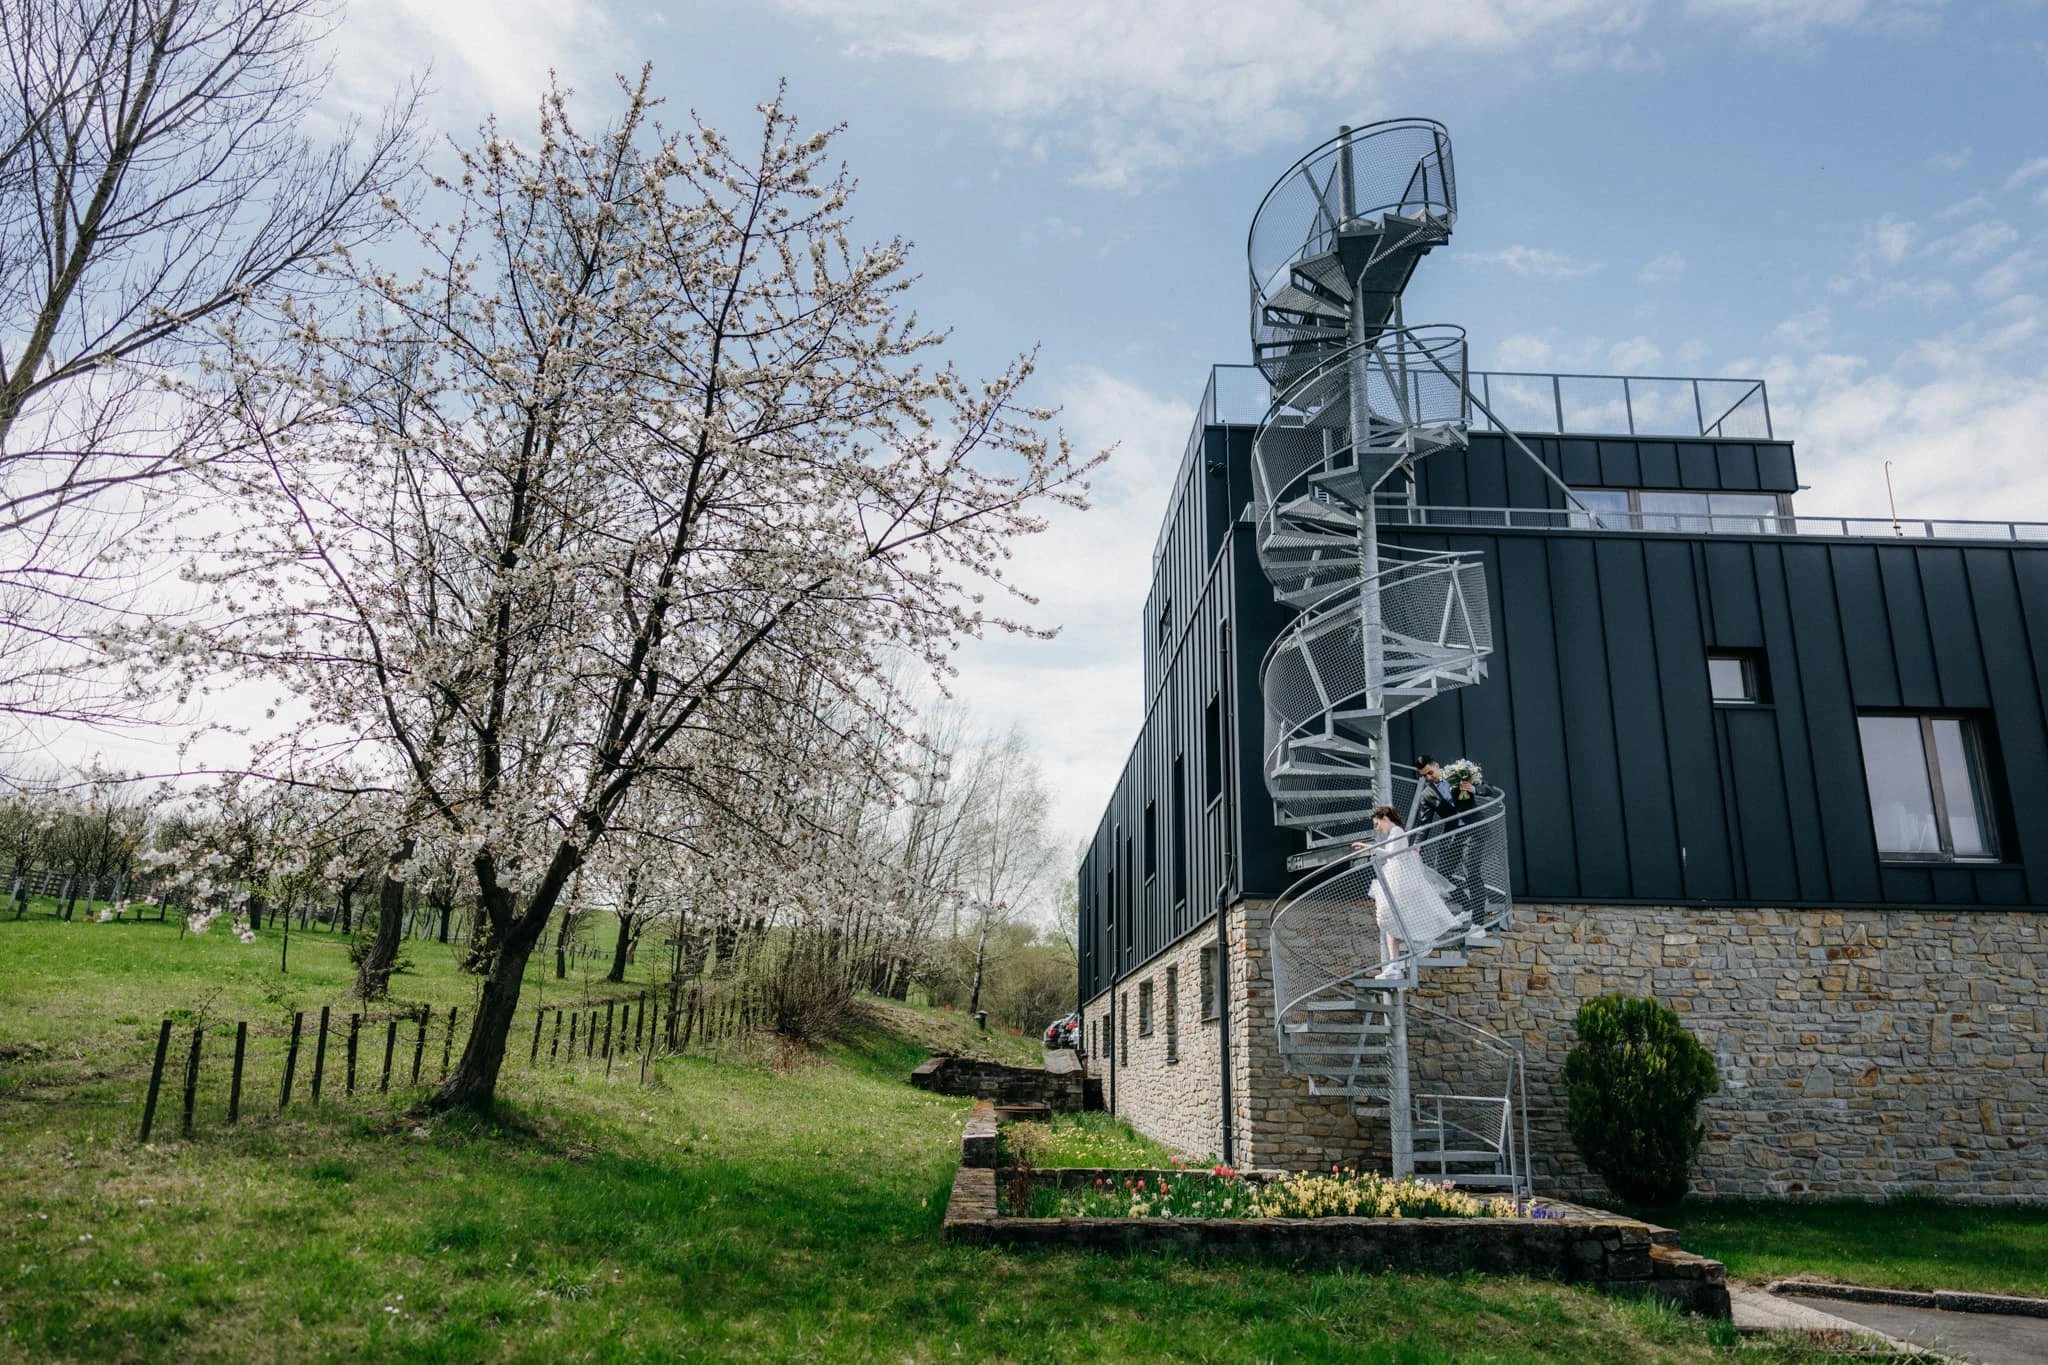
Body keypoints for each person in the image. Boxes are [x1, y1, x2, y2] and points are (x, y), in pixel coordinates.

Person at [1351, 805, 1462, 979]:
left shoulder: (1396, 831)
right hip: (1396, 879)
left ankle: (1418, 947)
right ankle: (1394, 965)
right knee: (1391, 922)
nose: (1377, 828)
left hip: (1400, 882)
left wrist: (1369, 847)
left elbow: (1392, 853)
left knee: (1389, 918)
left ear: (1385, 818)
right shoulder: (1397, 832)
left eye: (1377, 823)